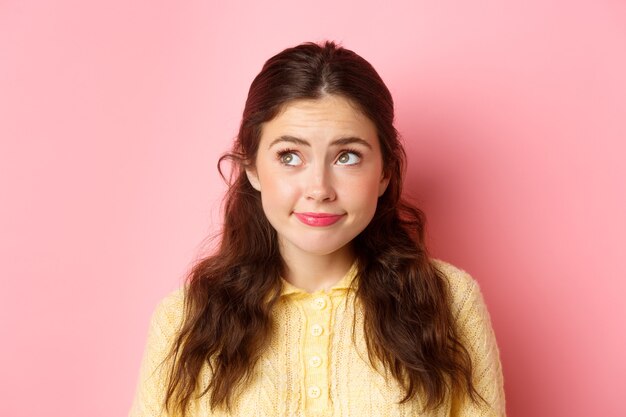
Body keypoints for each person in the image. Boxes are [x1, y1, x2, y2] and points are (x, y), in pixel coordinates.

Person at [129, 41, 506, 417]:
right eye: (290, 156)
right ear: (252, 168)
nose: (319, 189)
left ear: (384, 173)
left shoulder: (449, 301)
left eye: (347, 157)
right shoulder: (184, 317)